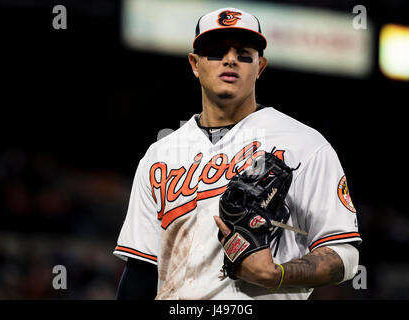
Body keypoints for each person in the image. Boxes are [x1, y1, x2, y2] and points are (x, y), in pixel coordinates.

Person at [113, 7, 362, 300]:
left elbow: (345, 257)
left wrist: (276, 274)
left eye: (244, 52)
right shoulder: (159, 155)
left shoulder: (305, 145)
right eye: (217, 51)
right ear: (194, 64)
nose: (231, 59)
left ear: (260, 66)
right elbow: (142, 269)